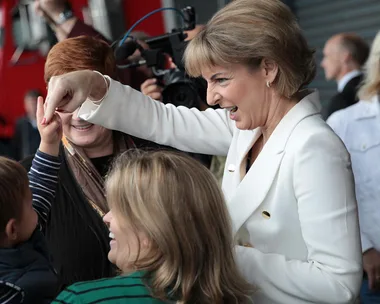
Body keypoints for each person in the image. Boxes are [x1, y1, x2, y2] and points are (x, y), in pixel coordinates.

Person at [42, 0, 363, 303]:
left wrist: (211, 254)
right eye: (207, 81)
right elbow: (162, 120)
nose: (211, 97)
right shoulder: (248, 128)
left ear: (268, 69)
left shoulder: (313, 146)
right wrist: (93, 85)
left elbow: (339, 284)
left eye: (220, 79)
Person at [22, 35, 163, 289]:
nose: (79, 115)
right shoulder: (27, 180)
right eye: (66, 99)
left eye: (90, 98)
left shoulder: (159, 159)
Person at [53, 150, 252, 303]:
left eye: (119, 208)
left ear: (154, 227)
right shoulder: (237, 298)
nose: (106, 217)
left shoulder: (81, 299)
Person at [327, 31, 380, 303]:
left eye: (327, 56)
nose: (323, 63)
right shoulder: (343, 120)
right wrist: (364, 247)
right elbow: (334, 194)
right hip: (374, 272)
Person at [0, 97, 62, 303]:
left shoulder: (19, 226)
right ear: (12, 230)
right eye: (29, 204)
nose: (34, 202)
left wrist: (48, 142)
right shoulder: (18, 293)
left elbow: (38, 188)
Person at [321, 33, 369, 120]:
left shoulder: (341, 101)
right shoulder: (372, 90)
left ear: (344, 56)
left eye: (327, 56)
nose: (323, 64)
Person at [12, 89, 42, 161]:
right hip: (25, 160)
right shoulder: (21, 123)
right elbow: (16, 146)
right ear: (25, 105)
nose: (32, 107)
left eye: (34, 103)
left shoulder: (47, 121)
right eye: (29, 104)